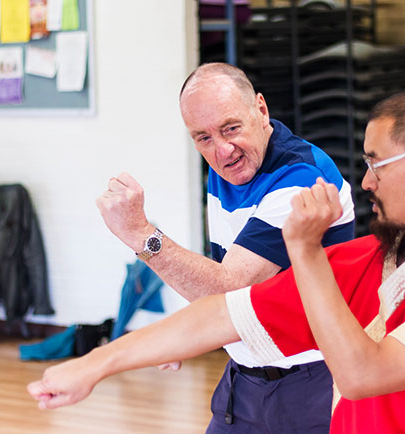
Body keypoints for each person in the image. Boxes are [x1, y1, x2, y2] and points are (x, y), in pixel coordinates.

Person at [29, 86, 405, 433]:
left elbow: (366, 375)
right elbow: (226, 310)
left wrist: (303, 249)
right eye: (202, 137)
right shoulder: (368, 259)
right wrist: (95, 364)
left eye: (375, 164)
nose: (365, 182)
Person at [92, 63, 356, 432]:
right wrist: (187, 335)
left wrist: (141, 234)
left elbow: (230, 287)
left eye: (231, 128)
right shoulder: (227, 169)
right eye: (203, 137)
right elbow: (217, 277)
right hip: (243, 375)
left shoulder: (300, 179)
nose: (222, 150)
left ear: (261, 110)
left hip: (310, 380)